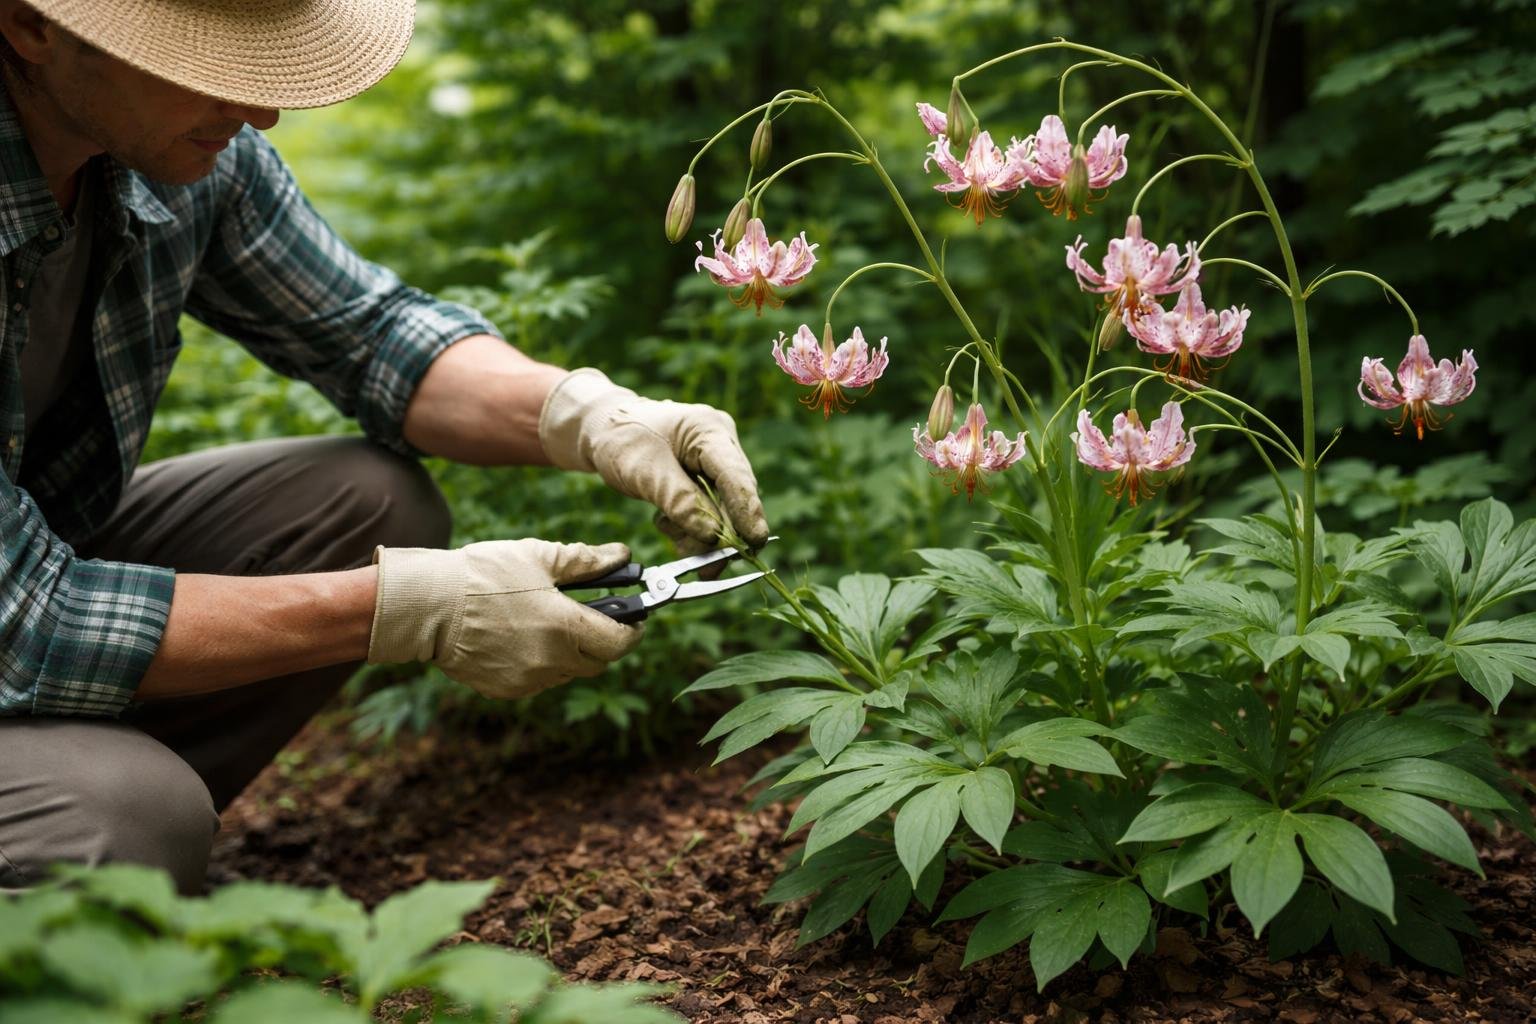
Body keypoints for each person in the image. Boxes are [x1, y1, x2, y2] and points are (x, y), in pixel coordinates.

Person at [0, 0, 769, 895]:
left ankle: (75, 802)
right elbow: (28, 622)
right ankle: (90, 832)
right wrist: (410, 609)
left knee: (368, 501)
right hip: (20, 612)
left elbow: (368, 335)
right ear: (32, 25)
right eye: (206, 63)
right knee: (127, 816)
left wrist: (594, 416)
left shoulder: (173, 155)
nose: (260, 111)